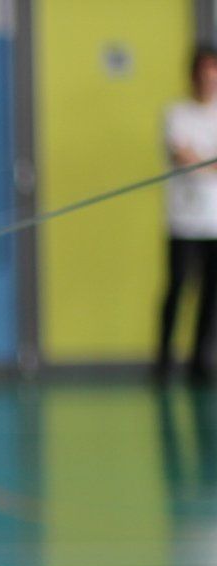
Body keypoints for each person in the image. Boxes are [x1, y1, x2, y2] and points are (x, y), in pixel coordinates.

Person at [158, 45, 217, 381]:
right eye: (203, 73)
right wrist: (205, 163)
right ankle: (165, 361)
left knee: (211, 295)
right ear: (193, 76)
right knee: (177, 288)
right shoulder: (176, 114)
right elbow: (182, 156)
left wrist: (198, 161)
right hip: (182, 222)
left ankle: (200, 362)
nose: (209, 80)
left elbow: (193, 161)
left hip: (214, 222)